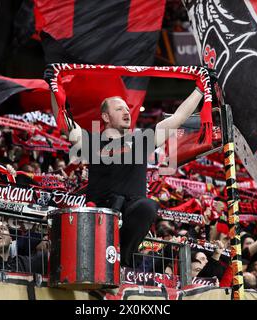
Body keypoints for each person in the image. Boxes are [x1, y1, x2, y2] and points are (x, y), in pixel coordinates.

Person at [44, 65, 213, 268]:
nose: (126, 111)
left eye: (127, 108)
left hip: (133, 208)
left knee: (148, 206)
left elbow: (177, 118)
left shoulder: (142, 140)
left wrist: (200, 90)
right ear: (105, 117)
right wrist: (53, 87)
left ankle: (122, 259)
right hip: (102, 209)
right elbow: (64, 123)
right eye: (119, 109)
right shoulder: (92, 141)